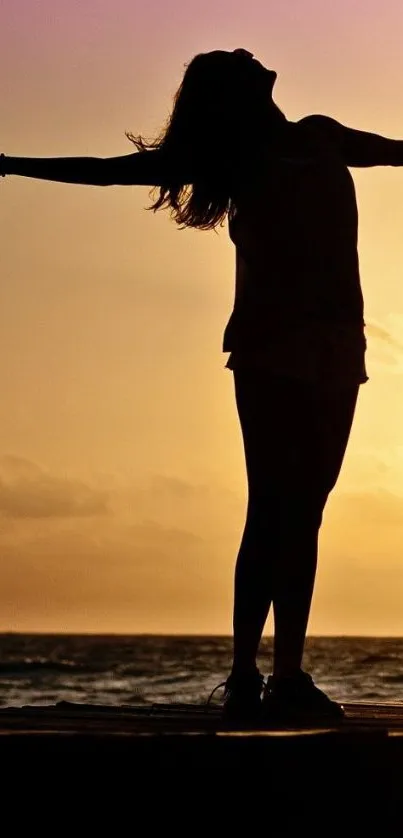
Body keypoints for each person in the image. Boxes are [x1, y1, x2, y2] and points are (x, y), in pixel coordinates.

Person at [2, 47, 403, 725]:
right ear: (233, 94)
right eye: (235, 61)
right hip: (269, 346)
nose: (251, 54)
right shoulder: (234, 158)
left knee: (303, 513)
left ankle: (284, 675)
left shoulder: (320, 135)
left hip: (339, 348)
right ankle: (249, 673)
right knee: (273, 507)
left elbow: (398, 151)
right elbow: (106, 174)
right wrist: (9, 163)